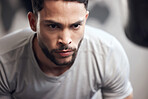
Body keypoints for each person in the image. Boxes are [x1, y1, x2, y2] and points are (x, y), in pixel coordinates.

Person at [0, 0, 133, 99]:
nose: (65, 40)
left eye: (75, 25)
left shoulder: (107, 54)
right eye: (53, 26)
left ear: (85, 20)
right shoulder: (3, 61)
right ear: (33, 23)